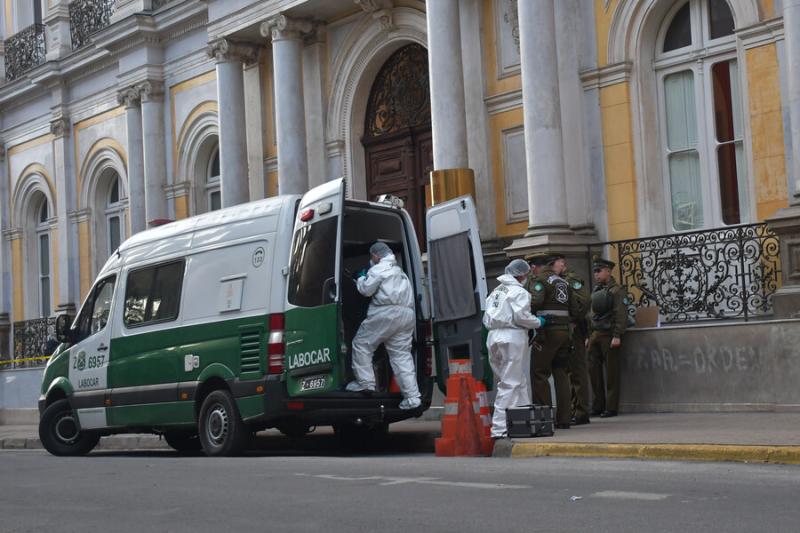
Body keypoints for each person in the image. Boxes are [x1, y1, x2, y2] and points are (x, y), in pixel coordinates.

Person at [345, 241, 422, 410]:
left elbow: (365, 290)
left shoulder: (378, 269)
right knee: (401, 356)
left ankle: (365, 383)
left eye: (372, 256)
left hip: (385, 313)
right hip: (406, 315)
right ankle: (412, 398)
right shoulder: (400, 272)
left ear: (376, 255)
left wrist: (359, 278)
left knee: (362, 344)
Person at [483, 259, 543, 439]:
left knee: (517, 380)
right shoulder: (519, 292)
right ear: (522, 274)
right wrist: (539, 322)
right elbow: (521, 317)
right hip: (512, 336)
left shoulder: (496, 291)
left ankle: (523, 423)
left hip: (493, 336)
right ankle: (499, 429)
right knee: (510, 383)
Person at [525, 252, 573, 429]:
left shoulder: (540, 280)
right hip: (565, 332)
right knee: (561, 373)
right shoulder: (563, 282)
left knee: (539, 373)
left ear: (538, 266)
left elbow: (536, 302)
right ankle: (565, 419)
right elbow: (575, 307)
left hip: (548, 333)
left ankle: (544, 417)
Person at [587, 256, 628, 418]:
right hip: (595, 334)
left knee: (611, 373)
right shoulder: (596, 290)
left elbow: (621, 314)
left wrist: (617, 335)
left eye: (599, 271)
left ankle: (611, 407)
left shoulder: (617, 291)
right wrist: (588, 335)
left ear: (608, 272)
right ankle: (598, 405)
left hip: (609, 334)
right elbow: (591, 314)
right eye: (595, 272)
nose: (596, 275)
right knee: (593, 372)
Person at [563, 264, 591, 425]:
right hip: (567, 331)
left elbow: (585, 301)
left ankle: (581, 412)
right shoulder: (558, 281)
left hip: (576, 330)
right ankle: (575, 409)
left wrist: (574, 319)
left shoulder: (571, 279)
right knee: (569, 373)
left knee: (577, 372)